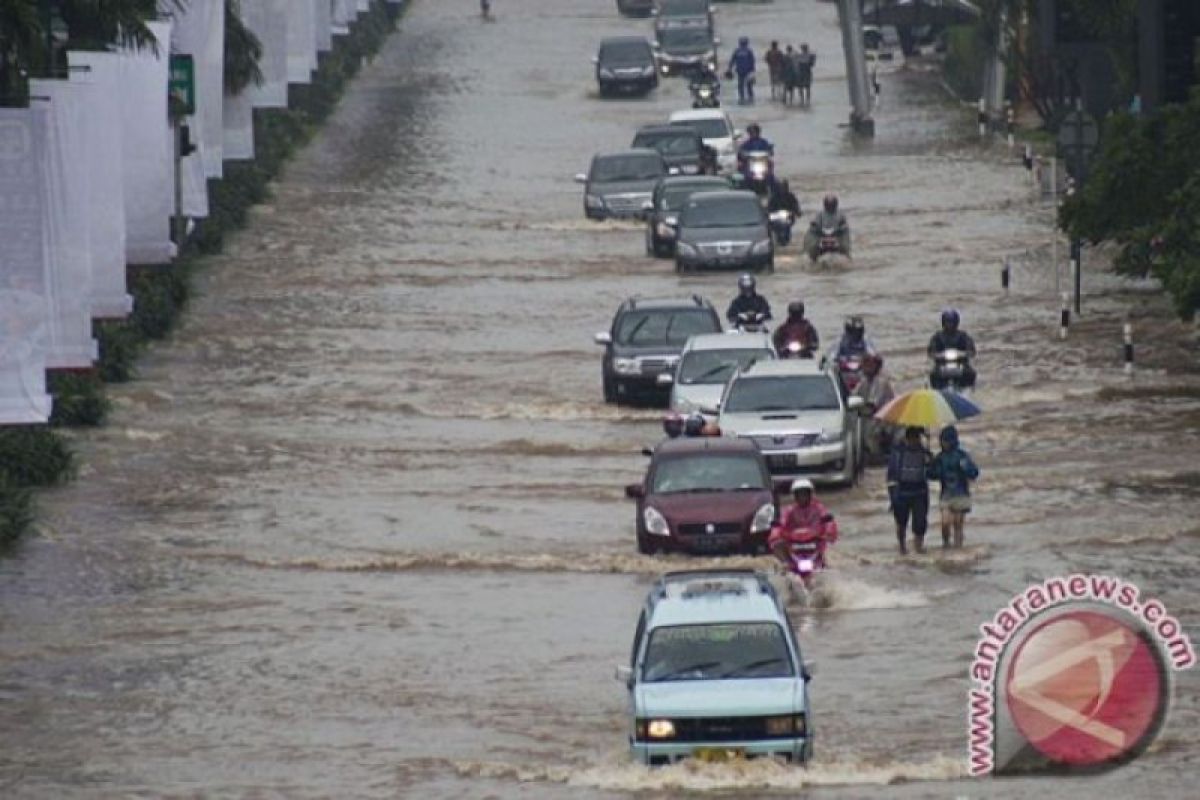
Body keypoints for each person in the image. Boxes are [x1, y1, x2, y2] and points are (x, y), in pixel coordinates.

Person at [927, 425, 980, 549]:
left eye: (945, 440)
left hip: (961, 494)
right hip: (946, 495)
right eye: (942, 440)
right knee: (945, 522)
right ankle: (946, 543)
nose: (943, 443)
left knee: (958, 523)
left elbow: (974, 473)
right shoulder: (939, 457)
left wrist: (965, 467)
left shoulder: (962, 455)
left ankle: (958, 547)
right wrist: (930, 465)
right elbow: (931, 475)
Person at [769, 478, 839, 569]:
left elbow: (828, 521)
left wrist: (829, 533)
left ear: (810, 494)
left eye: (805, 494)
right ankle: (786, 566)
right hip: (794, 543)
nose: (802, 497)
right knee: (781, 559)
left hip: (814, 541)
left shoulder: (819, 508)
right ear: (795, 496)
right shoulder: (789, 510)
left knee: (829, 561)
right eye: (800, 494)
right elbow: (780, 524)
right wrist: (775, 535)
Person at [886, 427, 931, 554]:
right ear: (906, 439)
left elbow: (931, 470)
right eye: (911, 439)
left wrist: (929, 456)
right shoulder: (898, 453)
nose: (914, 441)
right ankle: (902, 547)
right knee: (901, 523)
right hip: (902, 493)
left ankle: (918, 547)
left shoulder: (924, 452)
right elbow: (891, 476)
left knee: (920, 523)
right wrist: (892, 497)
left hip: (920, 492)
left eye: (916, 438)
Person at [853, 354, 896, 460]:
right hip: (872, 416)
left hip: (884, 418)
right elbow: (854, 396)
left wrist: (860, 409)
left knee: (870, 430)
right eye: (864, 365)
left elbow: (873, 405)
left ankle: (876, 455)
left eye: (868, 365)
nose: (864, 368)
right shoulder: (864, 382)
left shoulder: (881, 382)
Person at [926, 308, 977, 389]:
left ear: (956, 322)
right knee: (933, 375)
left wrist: (967, 353)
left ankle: (969, 391)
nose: (949, 324)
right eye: (947, 322)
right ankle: (936, 391)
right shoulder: (937, 337)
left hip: (960, 364)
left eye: (951, 322)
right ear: (943, 322)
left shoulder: (963, 336)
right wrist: (935, 354)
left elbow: (971, 349)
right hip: (942, 365)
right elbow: (931, 350)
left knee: (970, 373)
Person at [804, 194, 850, 261]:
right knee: (813, 247)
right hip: (822, 235)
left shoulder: (840, 215)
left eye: (832, 204)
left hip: (836, 234)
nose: (830, 206)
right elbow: (815, 223)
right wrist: (814, 226)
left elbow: (844, 223)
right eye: (829, 204)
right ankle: (812, 258)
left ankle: (847, 256)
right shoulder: (820, 214)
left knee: (844, 246)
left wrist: (842, 227)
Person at [766, 180, 800, 245]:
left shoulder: (791, 196)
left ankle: (787, 237)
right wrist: (768, 212)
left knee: (789, 224)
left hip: (788, 216)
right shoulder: (775, 197)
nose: (784, 189)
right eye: (782, 187)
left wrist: (797, 211)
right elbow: (769, 206)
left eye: (785, 187)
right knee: (770, 225)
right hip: (776, 216)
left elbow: (795, 205)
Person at [726, 36, 756, 104]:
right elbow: (732, 60)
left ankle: (746, 97)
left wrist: (729, 68)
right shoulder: (742, 51)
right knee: (744, 85)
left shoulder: (745, 51)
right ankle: (745, 97)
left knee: (746, 85)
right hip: (742, 71)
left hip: (745, 71)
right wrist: (729, 68)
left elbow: (752, 61)